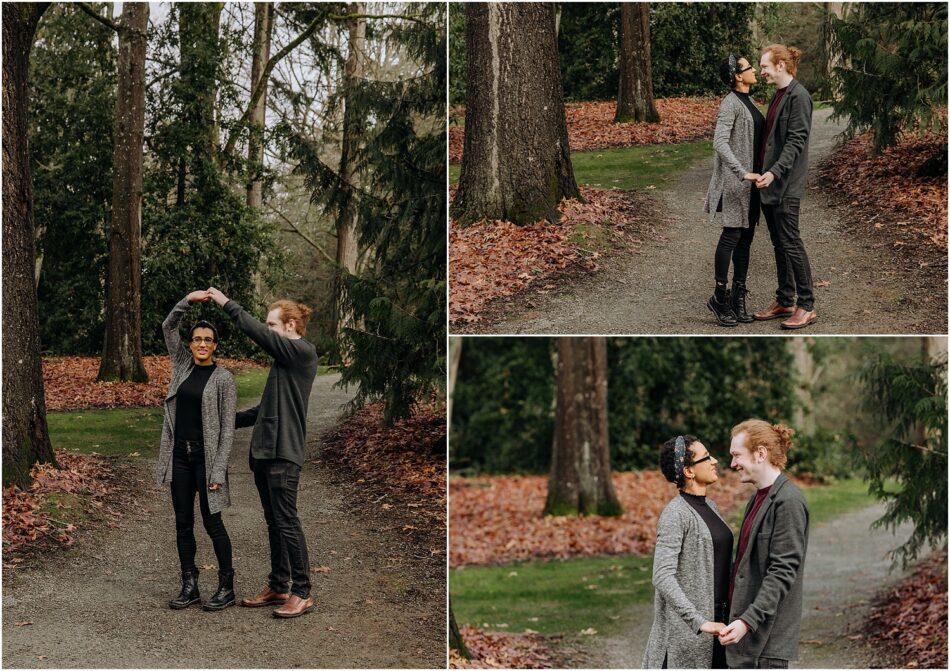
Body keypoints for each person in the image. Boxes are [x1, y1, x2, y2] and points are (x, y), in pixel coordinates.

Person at [206, 288, 319, 619]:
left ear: (291, 325)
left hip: (284, 453)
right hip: (265, 453)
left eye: (272, 324)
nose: (267, 330)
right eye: (268, 324)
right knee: (274, 522)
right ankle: (278, 585)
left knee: (286, 520)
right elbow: (266, 408)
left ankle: (302, 592)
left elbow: (252, 330)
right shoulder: (283, 362)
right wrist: (229, 419)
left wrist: (226, 303)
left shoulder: (301, 353)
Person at [156, 290, 238, 611]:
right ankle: (189, 584)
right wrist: (187, 301)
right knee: (183, 522)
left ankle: (226, 586)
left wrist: (218, 470)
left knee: (212, 522)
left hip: (207, 461)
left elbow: (228, 430)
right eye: (197, 339)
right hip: (180, 458)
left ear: (215, 345)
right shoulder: (181, 366)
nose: (202, 344)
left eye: (208, 340)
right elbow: (167, 327)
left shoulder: (224, 380)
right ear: (190, 344)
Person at [719, 420, 809, 669]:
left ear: (760, 453)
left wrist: (747, 621)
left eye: (737, 455)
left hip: (766, 644)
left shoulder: (788, 501)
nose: (733, 464)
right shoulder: (759, 497)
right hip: (748, 639)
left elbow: (782, 572)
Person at [643, 435, 734, 669]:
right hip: (686, 640)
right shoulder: (676, 514)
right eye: (706, 457)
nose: (714, 461)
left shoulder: (711, 507)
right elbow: (662, 575)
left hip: (719, 629)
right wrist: (699, 622)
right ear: (689, 471)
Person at [751, 45, 817, 330]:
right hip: (771, 184)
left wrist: (774, 173)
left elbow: (796, 141)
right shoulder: (778, 94)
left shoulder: (799, 96)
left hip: (786, 184)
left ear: (781, 65)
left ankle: (807, 305)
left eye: (764, 66)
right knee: (779, 244)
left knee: (791, 242)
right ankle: (785, 300)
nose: (761, 71)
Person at [704, 54, 766, 327]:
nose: (754, 70)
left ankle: (738, 299)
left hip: (751, 186)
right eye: (749, 67)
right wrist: (742, 172)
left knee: (746, 239)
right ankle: (719, 297)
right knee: (731, 236)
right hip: (735, 184)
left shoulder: (750, 101)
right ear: (738, 76)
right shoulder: (730, 104)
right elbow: (719, 142)